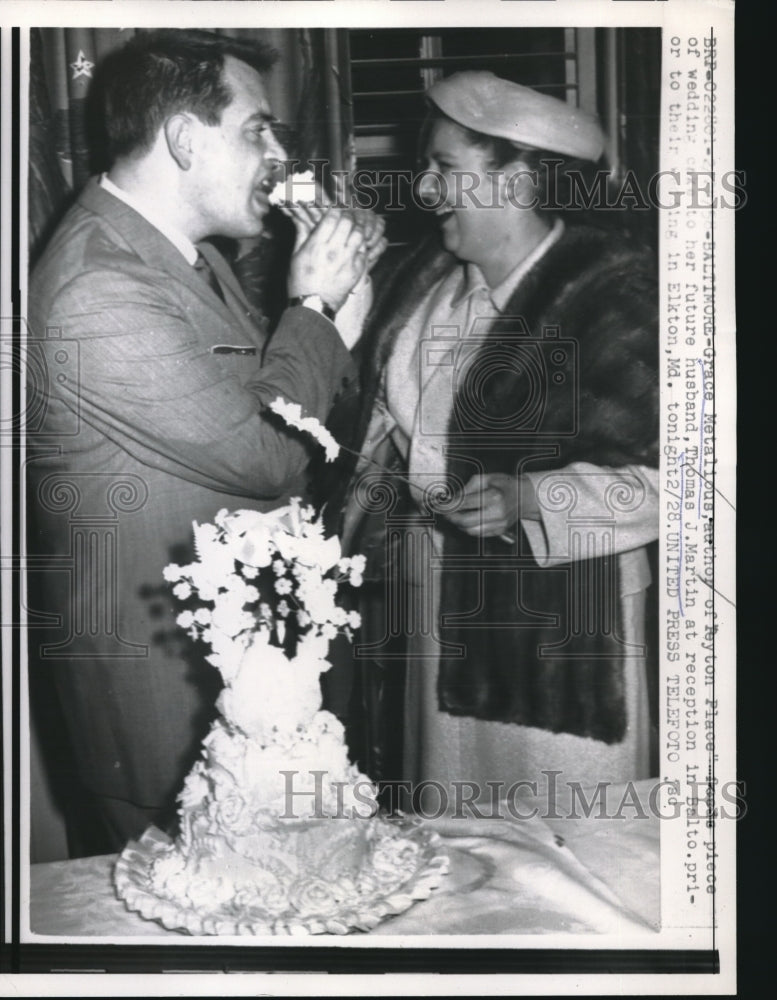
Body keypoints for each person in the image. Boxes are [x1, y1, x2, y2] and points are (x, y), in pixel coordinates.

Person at [25, 29, 385, 854]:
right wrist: (318, 314)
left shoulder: (186, 259)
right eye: (257, 129)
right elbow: (269, 453)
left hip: (235, 670)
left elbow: (270, 400)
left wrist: (338, 307)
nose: (279, 153)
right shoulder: (99, 288)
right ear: (185, 140)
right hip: (162, 701)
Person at [340, 72, 659, 808]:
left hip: (564, 642)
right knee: (457, 846)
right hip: (435, 623)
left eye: (445, 169)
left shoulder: (613, 296)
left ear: (514, 180)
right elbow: (380, 443)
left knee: (566, 848)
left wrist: (531, 497)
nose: (423, 189)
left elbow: (686, 484)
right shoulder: (421, 285)